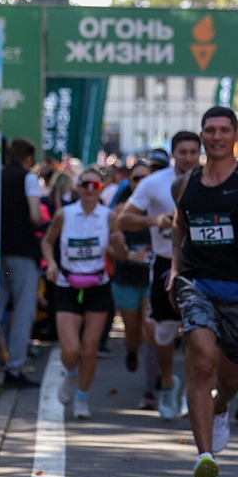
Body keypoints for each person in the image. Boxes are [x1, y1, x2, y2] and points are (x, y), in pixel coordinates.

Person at [170, 108, 238, 477]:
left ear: (235, 135)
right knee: (201, 362)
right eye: (209, 130)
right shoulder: (183, 185)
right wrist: (173, 272)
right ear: (201, 135)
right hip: (195, 282)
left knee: (229, 378)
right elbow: (179, 229)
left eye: (223, 130)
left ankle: (220, 406)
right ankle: (204, 457)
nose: (216, 136)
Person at [117, 135, 201, 416]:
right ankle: (167, 382)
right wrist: (155, 220)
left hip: (203, 263)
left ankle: (193, 390)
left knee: (197, 331)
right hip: (166, 262)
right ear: (173, 154)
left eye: (193, 152)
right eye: (183, 152)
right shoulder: (153, 183)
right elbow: (124, 219)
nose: (188, 157)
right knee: (163, 331)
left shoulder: (211, 179)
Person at [40, 167, 115, 419]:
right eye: (86, 185)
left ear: (101, 189)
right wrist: (51, 263)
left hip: (97, 286)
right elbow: (47, 241)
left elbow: (118, 247)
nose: (90, 190)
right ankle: (71, 374)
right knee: (70, 350)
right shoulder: (65, 215)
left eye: (96, 186)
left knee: (89, 349)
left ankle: (82, 397)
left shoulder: (108, 216)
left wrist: (123, 251)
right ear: (78, 188)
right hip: (67, 285)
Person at [0, 139, 43, 389]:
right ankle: (14, 369)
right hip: (22, 252)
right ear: (28, 157)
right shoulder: (28, 178)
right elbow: (35, 215)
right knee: (23, 310)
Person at [108, 159, 153, 375]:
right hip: (126, 278)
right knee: (133, 333)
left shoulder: (161, 206)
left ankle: (153, 380)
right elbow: (110, 247)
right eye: (137, 178)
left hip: (151, 278)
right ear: (130, 182)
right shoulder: (119, 210)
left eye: (147, 178)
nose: (142, 182)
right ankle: (132, 350)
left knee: (149, 329)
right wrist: (126, 254)